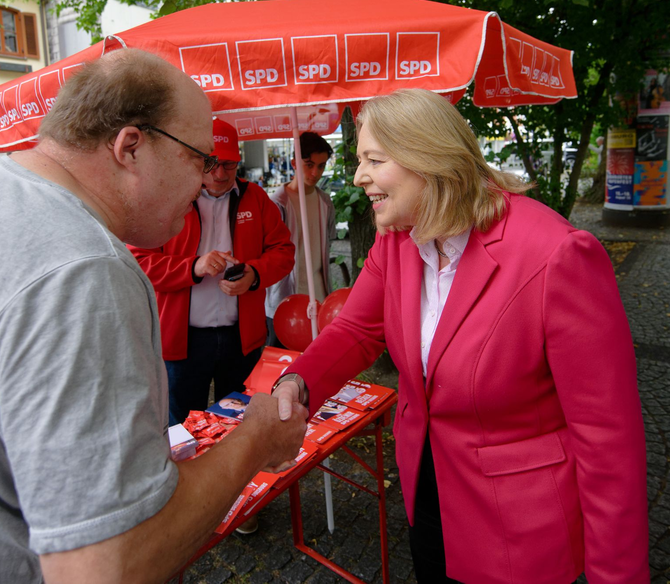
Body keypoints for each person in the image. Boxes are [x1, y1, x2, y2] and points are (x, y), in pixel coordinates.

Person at [0, 48, 307, 584]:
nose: (203, 182)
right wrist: (256, 439)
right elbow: (111, 566)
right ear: (130, 147)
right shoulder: (83, 269)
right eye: (198, 159)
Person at [272, 89, 649, 583]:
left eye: (373, 160)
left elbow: (607, 436)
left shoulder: (556, 254)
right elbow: (358, 328)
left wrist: (615, 576)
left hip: (518, 526)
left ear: (428, 158)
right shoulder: (399, 237)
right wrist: (299, 381)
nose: (358, 176)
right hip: (427, 489)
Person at [130, 118, 294, 427]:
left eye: (229, 165)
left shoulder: (256, 198)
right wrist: (193, 267)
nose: (220, 174)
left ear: (239, 161)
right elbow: (139, 261)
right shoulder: (168, 198)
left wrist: (254, 275)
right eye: (212, 163)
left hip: (241, 338)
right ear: (198, 158)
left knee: (241, 422)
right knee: (181, 427)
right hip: (183, 341)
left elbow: (284, 252)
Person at [265, 131, 337, 347]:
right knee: (282, 366)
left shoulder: (325, 203)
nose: (316, 172)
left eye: (322, 165)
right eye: (309, 164)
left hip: (320, 298)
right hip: (284, 301)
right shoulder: (276, 204)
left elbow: (327, 246)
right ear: (295, 162)